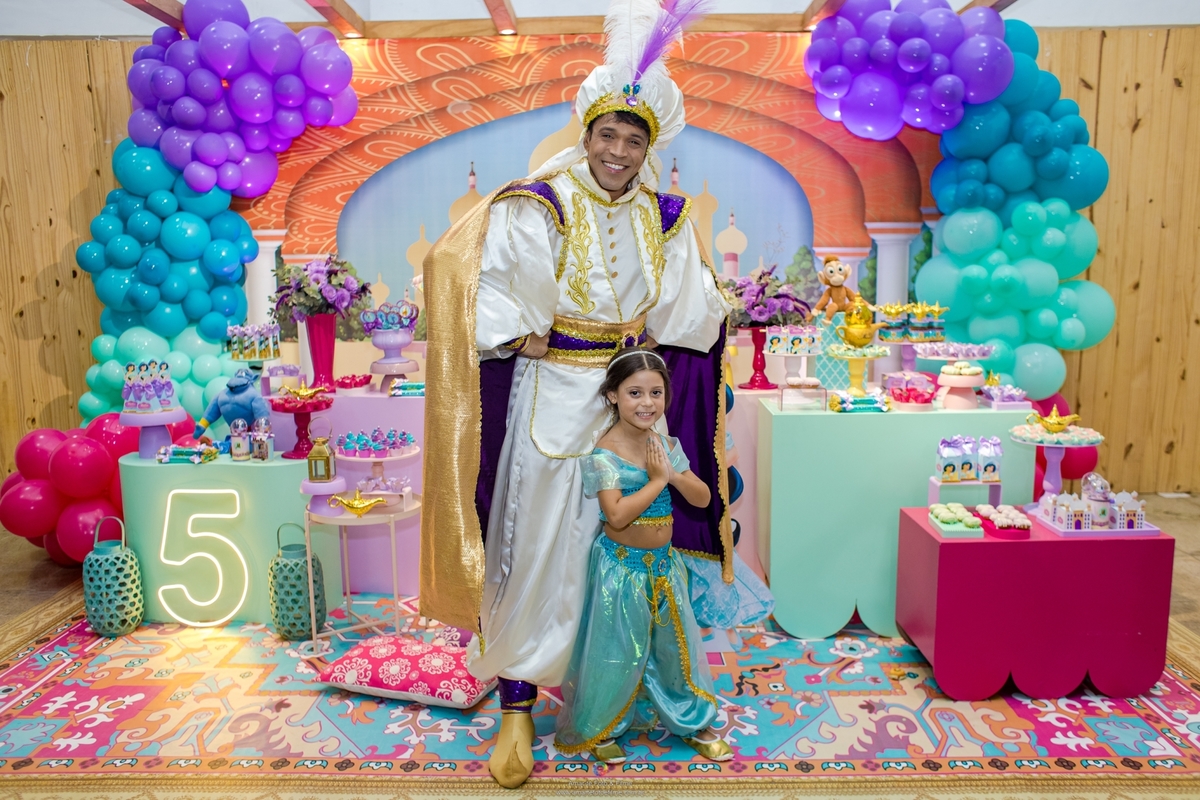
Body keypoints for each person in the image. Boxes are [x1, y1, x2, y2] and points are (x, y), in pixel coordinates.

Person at [420, 0, 732, 788]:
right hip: (553, 400)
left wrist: (717, 313)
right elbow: (491, 296)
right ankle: (519, 703)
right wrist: (529, 340)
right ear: (587, 133)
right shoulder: (541, 203)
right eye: (608, 135)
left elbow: (688, 314)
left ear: (649, 147)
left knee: (622, 554)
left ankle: (611, 691)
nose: (619, 152)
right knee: (537, 553)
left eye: (634, 140)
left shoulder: (665, 218)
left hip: (630, 405)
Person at [555, 348, 732, 764]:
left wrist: (672, 474)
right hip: (621, 570)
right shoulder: (604, 452)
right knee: (616, 649)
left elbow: (703, 497)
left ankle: (690, 720)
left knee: (674, 648)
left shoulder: (664, 445)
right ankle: (604, 725)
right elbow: (616, 516)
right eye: (634, 393)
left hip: (665, 567)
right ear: (613, 396)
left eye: (656, 392)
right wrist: (656, 482)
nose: (647, 403)